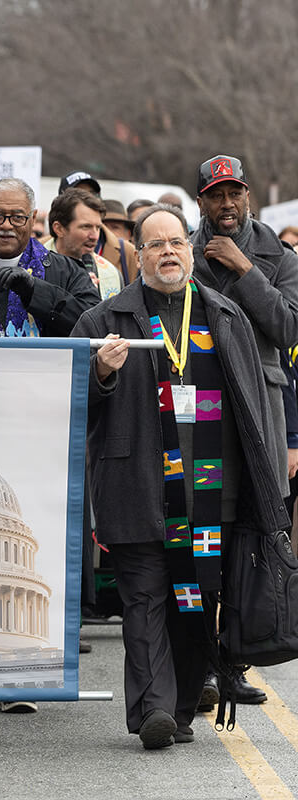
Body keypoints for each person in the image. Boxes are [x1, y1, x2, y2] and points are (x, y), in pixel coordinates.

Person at [72, 204, 288, 749]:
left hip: (212, 495)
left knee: (196, 602)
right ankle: (152, 713)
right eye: (155, 244)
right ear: (137, 255)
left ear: (189, 251)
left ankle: (184, 707)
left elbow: (254, 409)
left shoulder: (226, 316)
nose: (168, 252)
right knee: (144, 600)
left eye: (176, 243)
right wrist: (100, 373)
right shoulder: (104, 321)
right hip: (136, 489)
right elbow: (73, 405)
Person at [189, 154, 298, 707]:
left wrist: (246, 271)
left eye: (234, 194)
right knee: (206, 533)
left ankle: (234, 663)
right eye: (215, 195)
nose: (226, 204)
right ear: (201, 200)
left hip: (262, 411)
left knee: (251, 540)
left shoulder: (279, 254)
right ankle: (200, 666)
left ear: (247, 195)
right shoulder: (179, 250)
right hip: (202, 409)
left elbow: (289, 326)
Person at [0, 177, 100, 340]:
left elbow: (94, 324)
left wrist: (36, 291)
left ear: (33, 218)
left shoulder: (67, 271)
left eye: (18, 218)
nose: (6, 225)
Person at [46, 188, 123, 300]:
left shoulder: (111, 274)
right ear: (59, 229)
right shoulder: (31, 266)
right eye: (86, 227)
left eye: (98, 228)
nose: (94, 236)